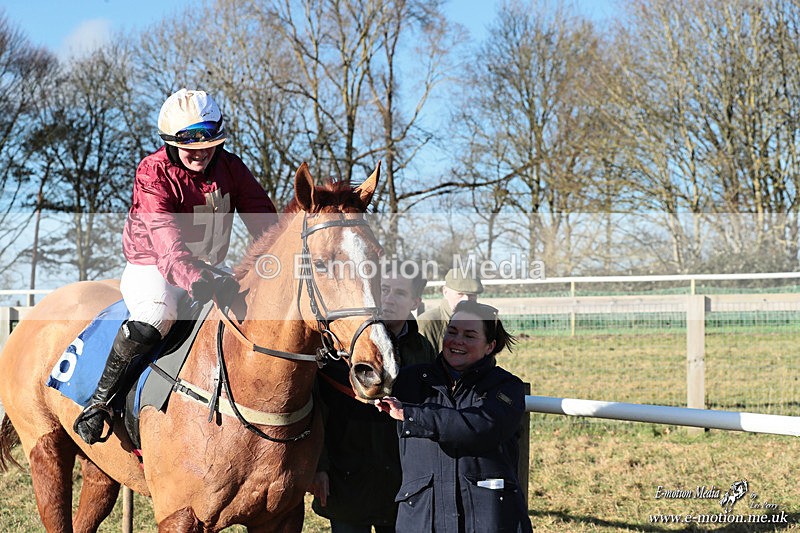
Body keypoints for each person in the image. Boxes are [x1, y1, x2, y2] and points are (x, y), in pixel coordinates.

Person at [73, 88, 276, 445]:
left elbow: (266, 223)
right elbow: (166, 241)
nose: (201, 153)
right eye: (190, 148)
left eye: (209, 144)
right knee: (157, 317)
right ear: (169, 142)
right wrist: (194, 278)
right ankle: (100, 403)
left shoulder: (233, 167)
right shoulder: (153, 172)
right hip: (153, 265)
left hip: (209, 266)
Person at [377, 300, 532, 533]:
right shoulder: (409, 381)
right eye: (452, 331)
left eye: (470, 335)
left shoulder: (507, 387)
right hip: (422, 517)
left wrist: (411, 414)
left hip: (488, 519)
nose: (457, 340)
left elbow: (480, 426)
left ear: (490, 346)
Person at [308, 268, 436, 532]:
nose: (388, 299)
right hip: (346, 477)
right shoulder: (338, 348)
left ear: (415, 302)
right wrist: (319, 466)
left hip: (403, 482)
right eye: (383, 290)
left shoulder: (423, 350)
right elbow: (317, 407)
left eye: (400, 293)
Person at [417, 268, 484, 352]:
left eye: (472, 295)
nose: (466, 299)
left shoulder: (482, 322)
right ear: (445, 292)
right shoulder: (428, 323)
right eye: (460, 294)